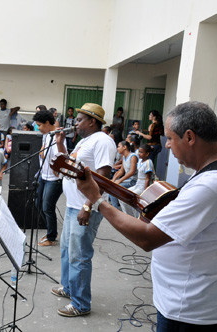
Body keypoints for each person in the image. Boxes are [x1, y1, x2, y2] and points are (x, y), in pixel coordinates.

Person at [76, 101, 217, 330]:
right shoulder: (208, 174)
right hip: (188, 302)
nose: (167, 147)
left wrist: (97, 200)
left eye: (170, 139)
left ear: (190, 137)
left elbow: (147, 237)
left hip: (189, 311)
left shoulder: (210, 185)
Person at [52, 103, 116, 317]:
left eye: (79, 120)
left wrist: (88, 205)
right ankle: (69, 288)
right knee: (67, 251)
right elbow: (70, 165)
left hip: (85, 207)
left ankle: (81, 304)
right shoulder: (83, 141)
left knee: (79, 256)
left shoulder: (103, 141)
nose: (75, 123)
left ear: (92, 121)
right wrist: (61, 146)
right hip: (72, 205)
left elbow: (104, 177)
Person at [33, 109, 66, 247]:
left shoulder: (58, 136)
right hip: (43, 176)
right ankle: (50, 231)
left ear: (47, 123)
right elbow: (44, 148)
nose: (38, 128)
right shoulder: (46, 135)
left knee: (47, 207)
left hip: (54, 180)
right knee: (38, 204)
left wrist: (56, 169)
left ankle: (52, 236)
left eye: (39, 125)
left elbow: (62, 157)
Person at [111, 141, 138, 216]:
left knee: (115, 188)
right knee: (111, 187)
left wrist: (119, 180)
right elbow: (121, 171)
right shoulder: (124, 157)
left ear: (124, 147)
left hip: (133, 181)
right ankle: (115, 209)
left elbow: (132, 172)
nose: (117, 148)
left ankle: (117, 212)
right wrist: (113, 180)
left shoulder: (133, 157)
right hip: (127, 180)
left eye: (119, 146)